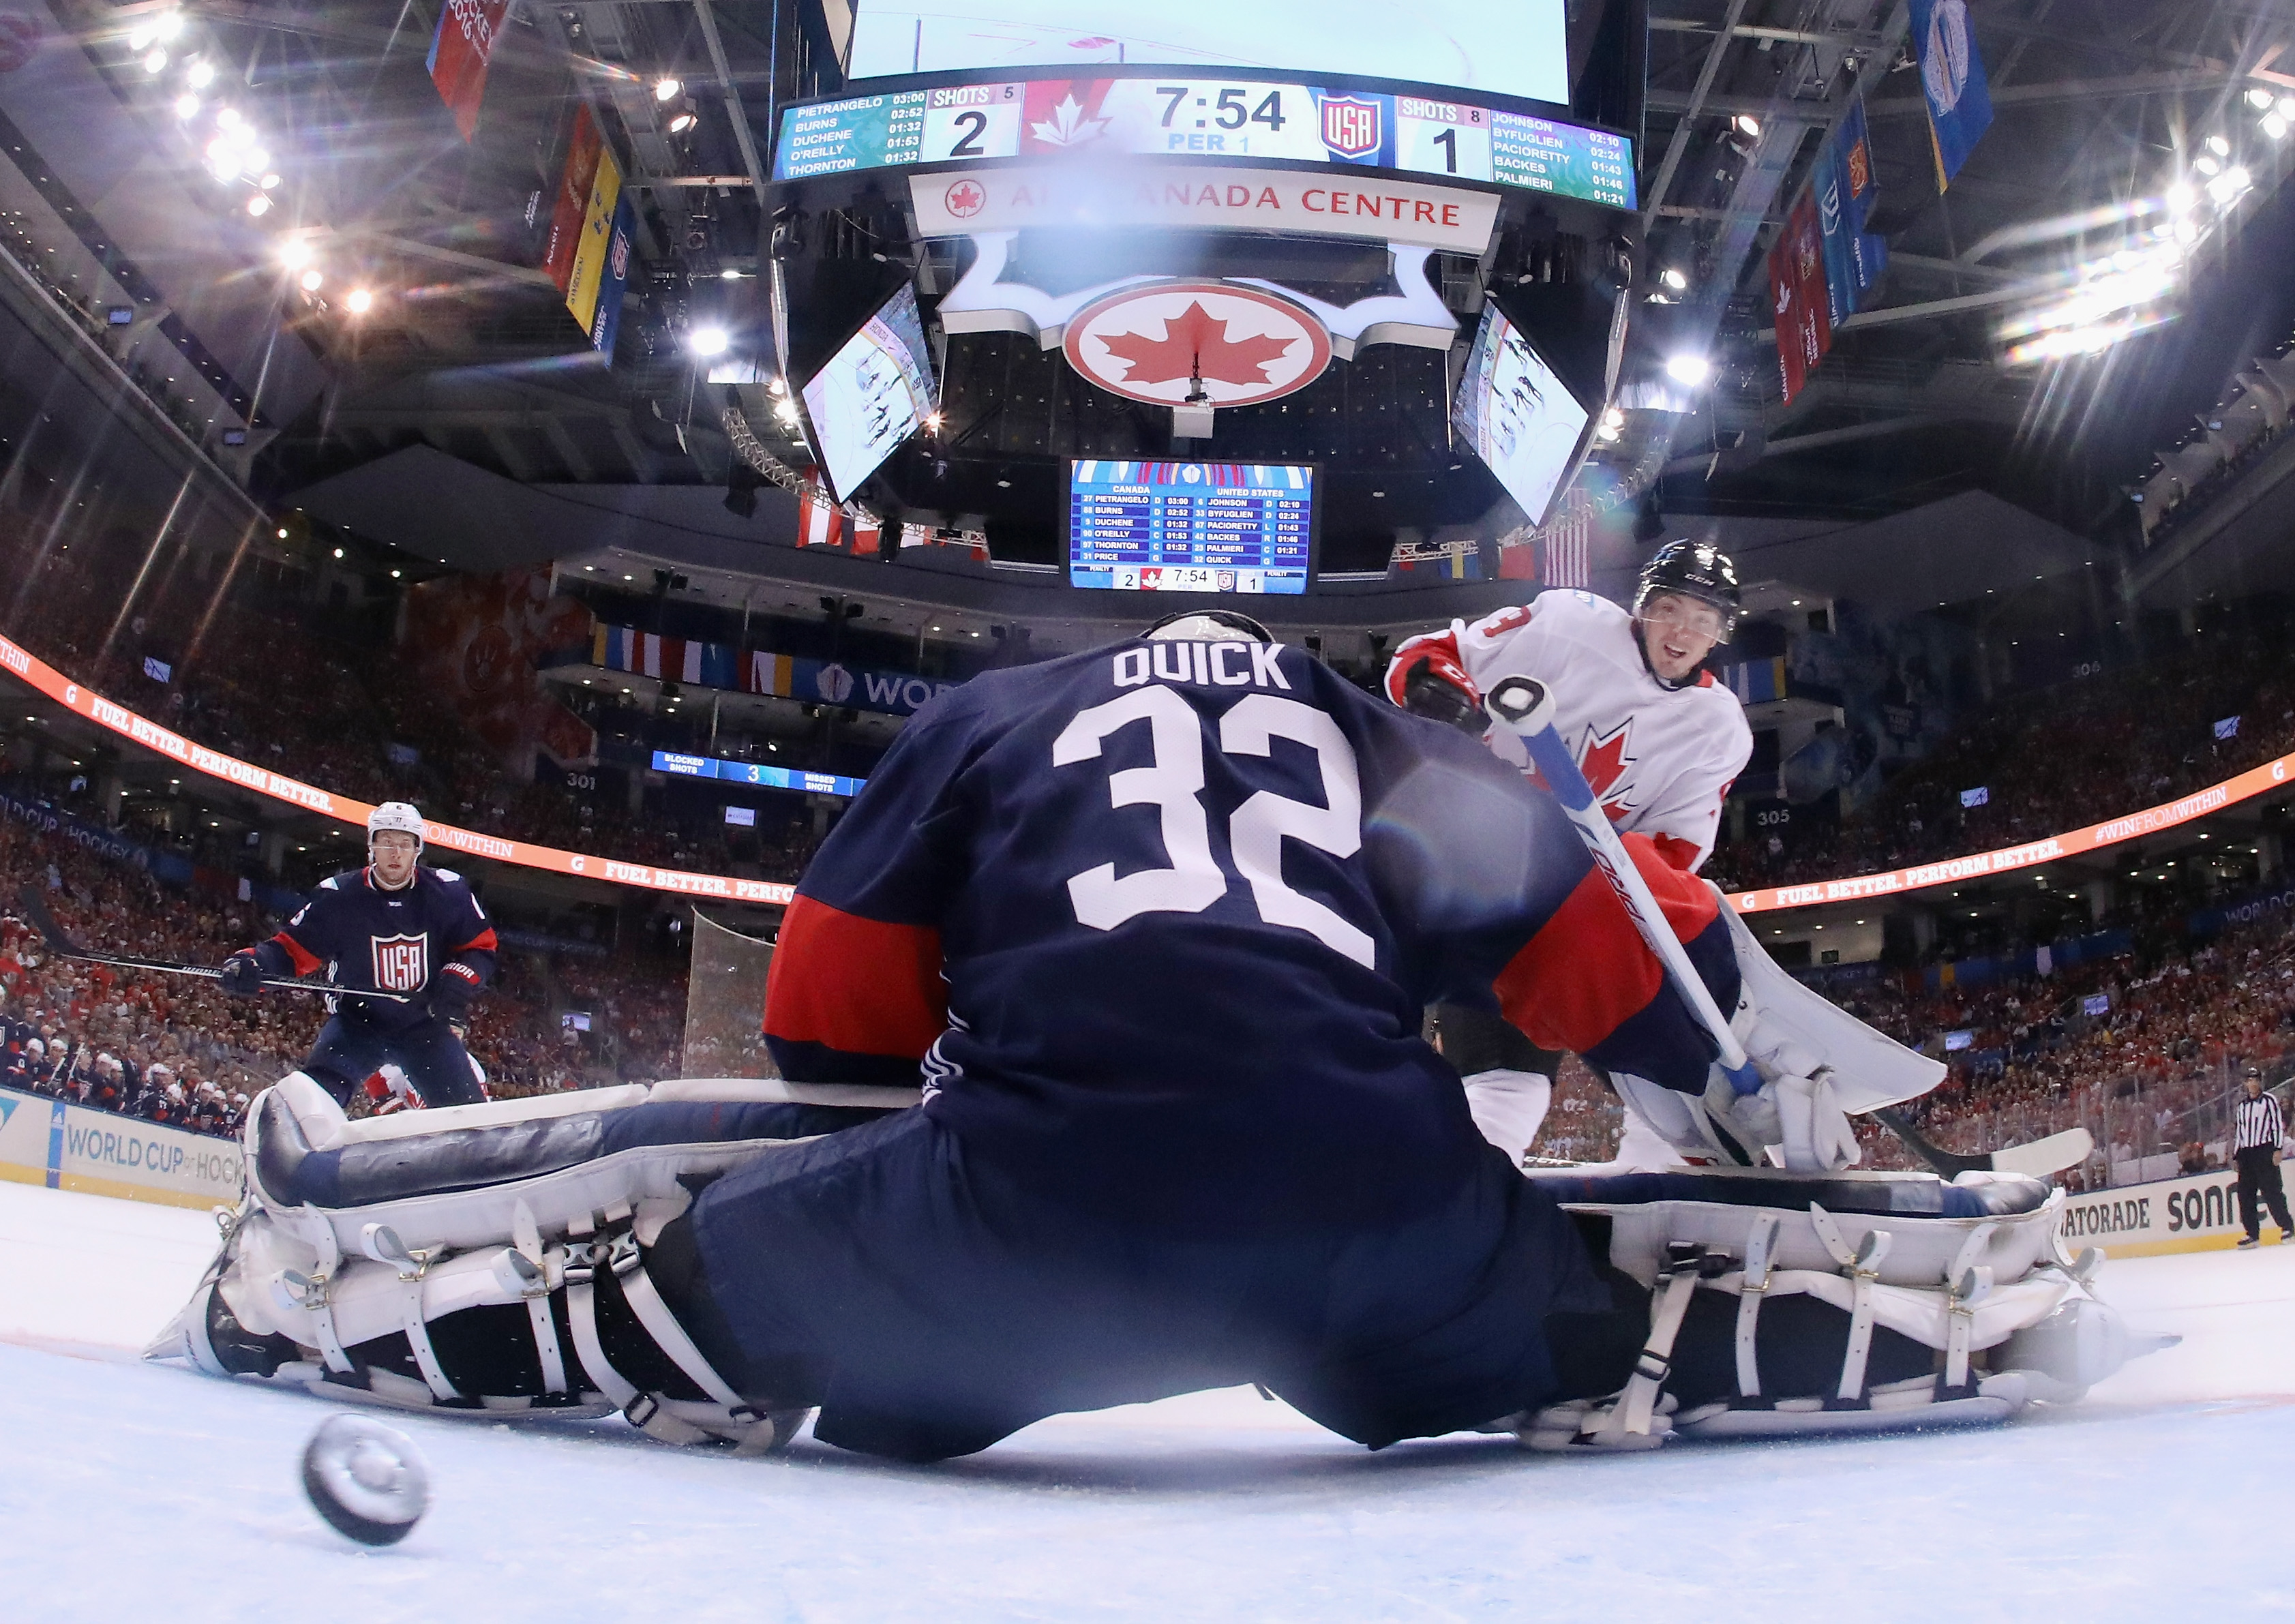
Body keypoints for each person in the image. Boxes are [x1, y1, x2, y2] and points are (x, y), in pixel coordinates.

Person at [160, 616, 2112, 1460]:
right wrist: (1727, 1086)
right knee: (1619, 1314)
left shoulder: (993, 719)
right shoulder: (1384, 737)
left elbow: (825, 1007)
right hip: (1369, 1217)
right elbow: (1591, 956)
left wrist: (857, 1187)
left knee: (657, 1292)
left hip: (1028, 1232)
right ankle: (1964, 1312)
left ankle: (301, 1303)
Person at [1385, 540, 1754, 1169]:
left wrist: (1591, 876)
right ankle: (1466, 1190)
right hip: (1477, 876)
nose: (1682, 631)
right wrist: (1436, 691)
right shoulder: (1570, 624)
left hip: (1577, 909)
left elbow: (1675, 852)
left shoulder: (1718, 729)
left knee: (1661, 1067)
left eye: (1703, 619)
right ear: (1641, 608)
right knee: (1501, 1079)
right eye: (1670, 608)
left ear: (1719, 634)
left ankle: (1669, 1172)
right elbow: (1429, 657)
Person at [217, 802, 495, 1108]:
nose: (396, 853)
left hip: (425, 1026)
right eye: (386, 842)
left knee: (469, 1116)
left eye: (405, 844)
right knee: (314, 1104)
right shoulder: (339, 897)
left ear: (418, 849)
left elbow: (479, 948)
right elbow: (291, 951)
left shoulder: (449, 892)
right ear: (371, 846)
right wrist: (253, 965)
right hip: (358, 1024)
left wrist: (457, 982)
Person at [2232, 1067, 2292, 1248]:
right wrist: (2236, 1155)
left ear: (2260, 1081)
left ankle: (2287, 1227)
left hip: (2264, 1150)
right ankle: (2252, 1233)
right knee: (2245, 1194)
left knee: (2272, 1191)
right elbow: (2240, 1132)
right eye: (2250, 1080)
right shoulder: (2242, 1106)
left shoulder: (2269, 1101)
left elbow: (2276, 1126)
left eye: (2256, 1079)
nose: (2253, 1083)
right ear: (2246, 1083)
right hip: (2247, 1154)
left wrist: (2277, 1148)